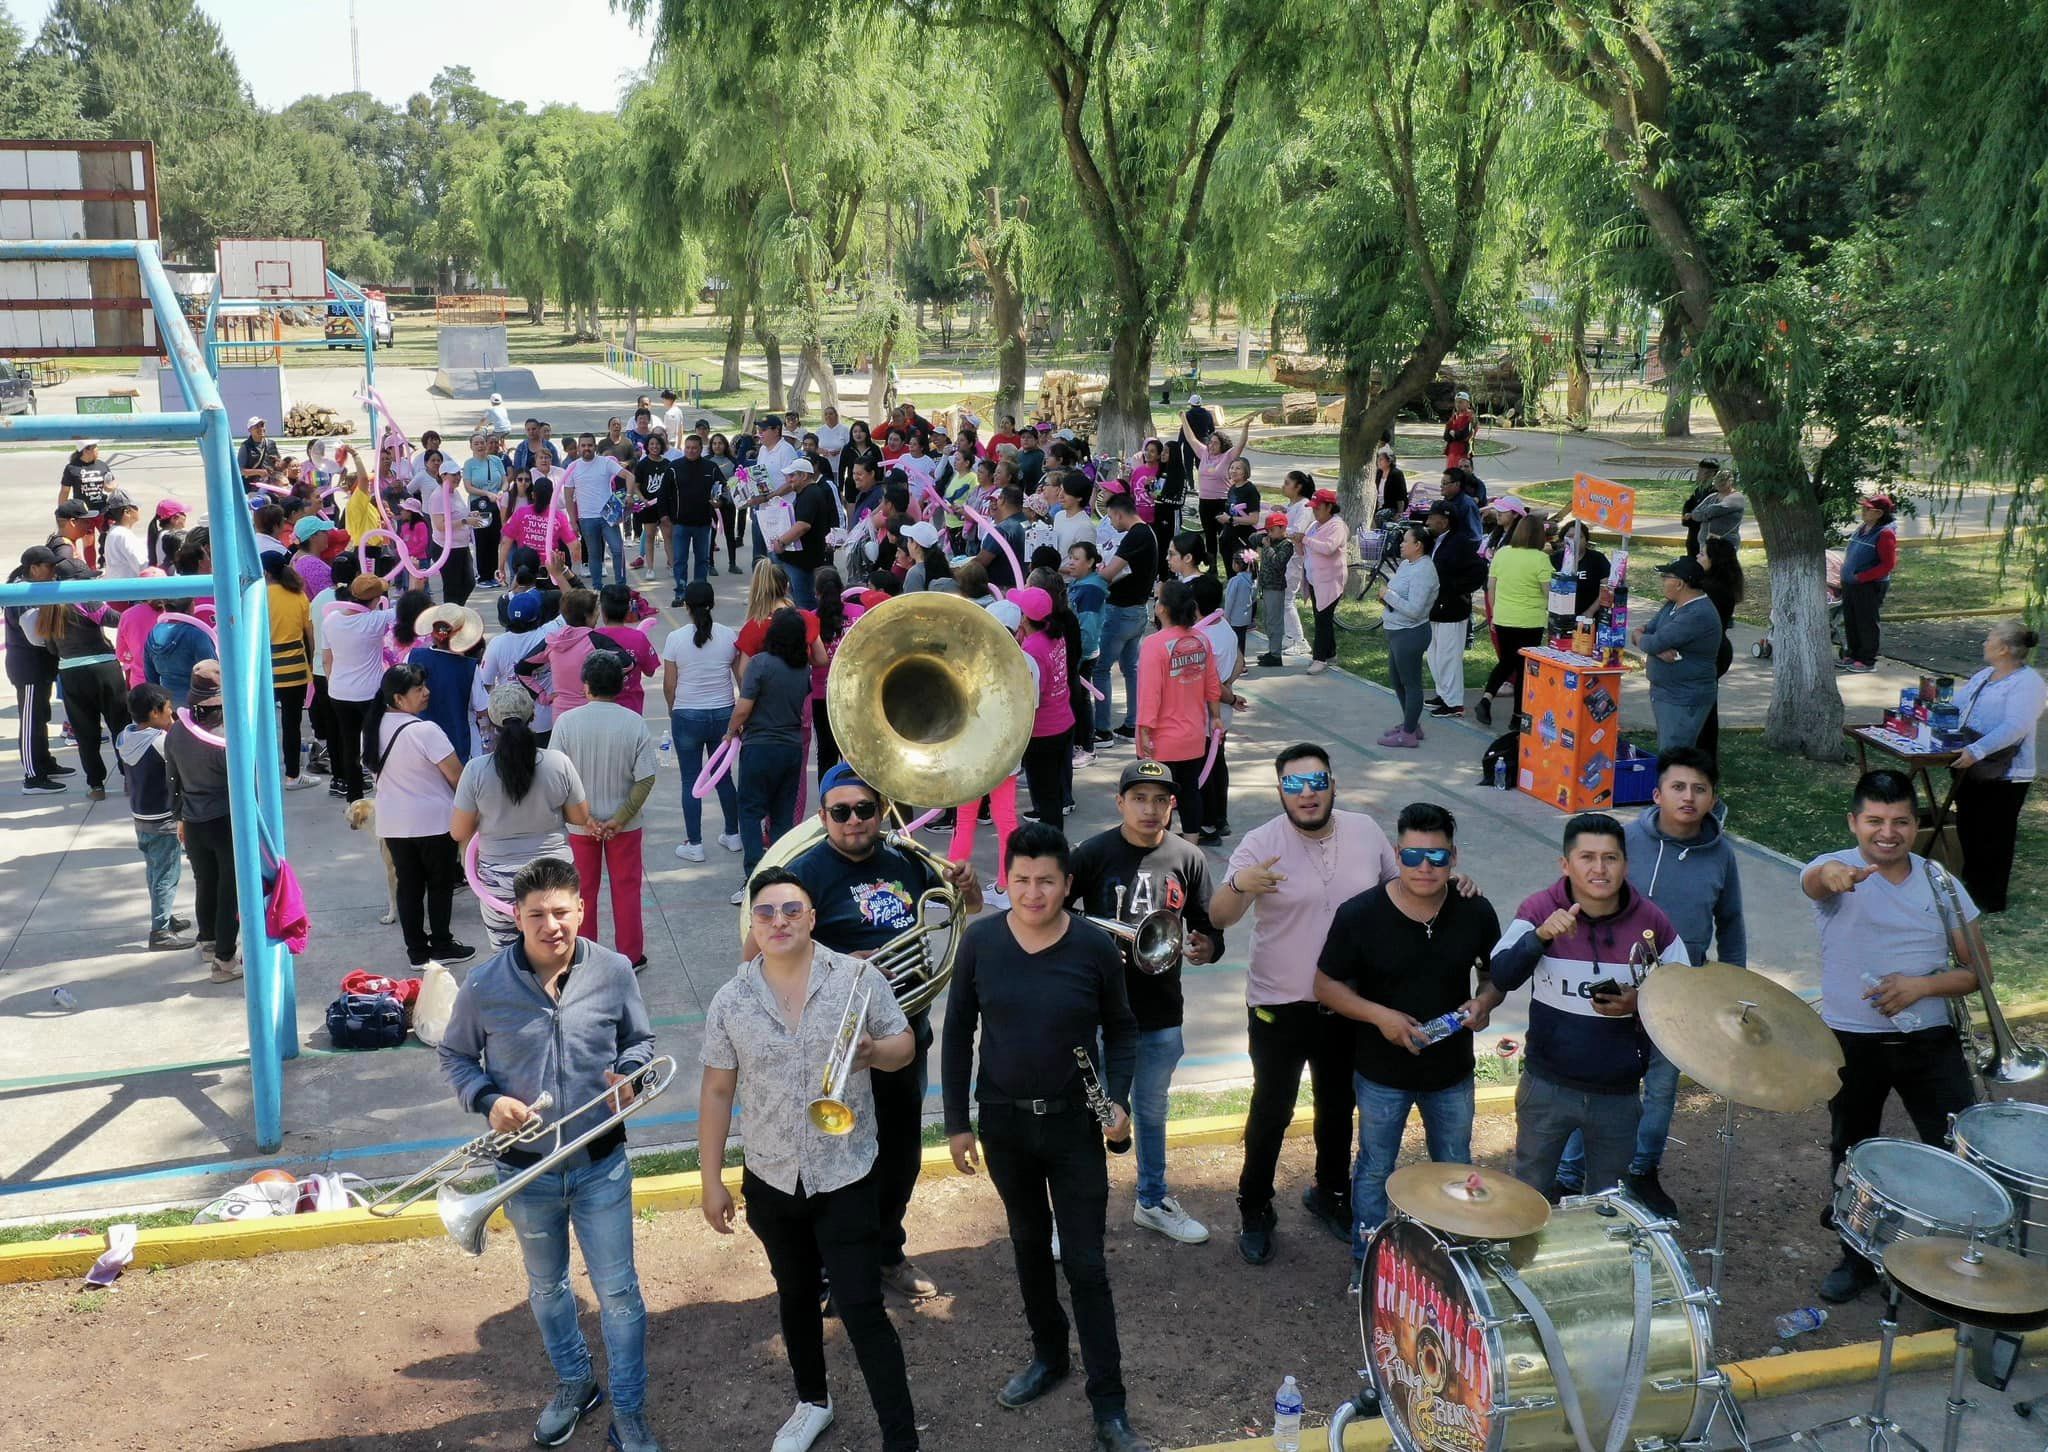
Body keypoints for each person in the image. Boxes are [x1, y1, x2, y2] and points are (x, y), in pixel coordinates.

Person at [436, 855, 661, 1452]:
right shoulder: (484, 985)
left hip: (600, 1165)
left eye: (562, 911)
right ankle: (575, 1383)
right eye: (536, 914)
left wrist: (631, 1076)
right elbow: (455, 1056)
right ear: (517, 916)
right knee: (548, 1289)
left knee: (619, 1294)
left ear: (581, 910)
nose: (551, 925)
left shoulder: (614, 971)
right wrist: (487, 1100)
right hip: (523, 1170)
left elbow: (640, 1041)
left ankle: (631, 1413)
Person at [941, 821, 1152, 1452]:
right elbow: (957, 1037)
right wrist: (956, 1122)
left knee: (1086, 1264)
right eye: (1022, 880)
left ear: (1066, 884)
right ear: (1006, 879)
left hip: (1072, 1124)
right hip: (1004, 1122)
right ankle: (1048, 1355)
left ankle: (1109, 1405)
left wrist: (1116, 1100)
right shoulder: (980, 943)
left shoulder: (1093, 948)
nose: (1033, 893)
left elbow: (1123, 1028)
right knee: (1029, 1246)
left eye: (1047, 882)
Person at [699, 868, 919, 1452]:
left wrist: (876, 1053)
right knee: (793, 1295)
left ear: (812, 917)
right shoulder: (731, 1000)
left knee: (862, 1306)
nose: (779, 921)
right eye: (766, 912)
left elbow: (904, 1045)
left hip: (845, 1171)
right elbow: (718, 1091)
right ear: (753, 922)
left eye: (791, 910)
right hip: (771, 1178)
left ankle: (901, 1436)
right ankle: (812, 1403)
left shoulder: (858, 978)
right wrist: (710, 1179)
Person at [769, 764, 983, 1303]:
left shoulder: (910, 860)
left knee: (900, 1154)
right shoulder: (803, 873)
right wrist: (842, 965)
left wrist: (971, 887)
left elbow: (966, 911)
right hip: (833, 1042)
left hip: (903, 1030)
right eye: (840, 812)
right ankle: (830, 1269)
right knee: (833, 1160)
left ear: (882, 811)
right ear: (823, 818)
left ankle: (888, 1252)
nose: (854, 821)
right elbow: (762, 956)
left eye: (865, 809)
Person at [1212, 744, 1414, 1262]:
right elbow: (1219, 916)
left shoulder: (1366, 831)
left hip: (1348, 1004)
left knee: (1336, 1108)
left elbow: (1401, 892)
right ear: (1279, 790)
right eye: (1294, 785)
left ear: (1333, 783)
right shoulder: (1260, 843)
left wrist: (1451, 882)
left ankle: (1329, 1193)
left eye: (1316, 781)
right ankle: (1255, 1207)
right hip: (1280, 1004)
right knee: (1271, 1110)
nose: (1307, 794)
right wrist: (1240, 884)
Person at [1804, 770, 1984, 1303]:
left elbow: (1978, 974)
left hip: (1930, 1042)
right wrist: (1836, 875)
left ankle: (1955, 1266)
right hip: (1851, 1043)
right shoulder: (1830, 868)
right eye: (1875, 821)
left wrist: (1920, 986)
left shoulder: (1942, 884)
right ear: (1854, 822)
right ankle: (1854, 1259)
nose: (1888, 833)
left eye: (1901, 821)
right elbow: (1819, 881)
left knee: (1956, 1152)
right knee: (1852, 1150)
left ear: (1915, 823)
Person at [1315, 802, 1503, 1289]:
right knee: (1376, 1168)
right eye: (1415, 855)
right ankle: (1368, 1261)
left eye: (1438, 858)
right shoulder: (1360, 913)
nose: (1426, 867)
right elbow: (1326, 986)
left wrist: (1483, 1003)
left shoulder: (1475, 909)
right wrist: (1380, 1017)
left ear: (1454, 857)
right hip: (1380, 1074)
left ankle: (1452, 1260)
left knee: (1455, 1165)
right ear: (1397, 854)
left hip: (1453, 1072)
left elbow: (1494, 973)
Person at [1553, 748, 1747, 1216]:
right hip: (1614, 989)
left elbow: (1732, 923)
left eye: (1700, 789)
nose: (1688, 797)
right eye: (1678, 787)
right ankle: (1568, 1173)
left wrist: (1736, 990)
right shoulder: (1625, 842)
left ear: (1712, 797)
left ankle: (1642, 1171)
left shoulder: (1722, 856)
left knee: (1660, 1088)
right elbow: (1580, 891)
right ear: (1657, 793)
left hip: (1680, 993)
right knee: (1598, 1080)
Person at [1066, 759, 1222, 1247]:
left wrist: (1205, 947)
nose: (1150, 809)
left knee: (1151, 1110)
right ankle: (1074, 1215)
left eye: (1160, 800)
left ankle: (1152, 1200)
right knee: (1088, 1112)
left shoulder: (1187, 857)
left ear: (1171, 804)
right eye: (1139, 798)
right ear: (1120, 803)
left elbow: (1208, 927)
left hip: (1158, 1011)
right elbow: (1057, 915)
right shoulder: (1091, 854)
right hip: (1094, 1012)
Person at [1488, 813, 1686, 1198]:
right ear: (1565, 864)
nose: (1599, 869)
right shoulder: (1538, 908)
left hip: (1618, 1094)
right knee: (1530, 1193)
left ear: (1626, 865)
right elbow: (1502, 974)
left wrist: (1639, 1003)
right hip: (1547, 1085)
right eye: (1587, 857)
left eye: (1610, 858)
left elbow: (1685, 996)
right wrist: (1540, 937)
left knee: (1607, 1204)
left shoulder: (1652, 921)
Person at [451, 684, 594, 947]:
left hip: (498, 880)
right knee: (557, 952)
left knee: (506, 960)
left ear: (492, 722)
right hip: (554, 873)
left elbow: (459, 832)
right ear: (532, 717)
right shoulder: (557, 762)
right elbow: (580, 817)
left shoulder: (475, 770)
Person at [551, 652, 659, 971]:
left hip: (580, 826)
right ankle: (631, 955)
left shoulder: (567, 723)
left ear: (586, 686)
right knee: (626, 890)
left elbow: (557, 776)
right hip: (624, 826)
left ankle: (584, 956)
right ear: (621, 685)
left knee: (582, 892)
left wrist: (587, 820)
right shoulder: (634, 723)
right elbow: (646, 777)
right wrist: (619, 818)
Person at [362, 663, 473, 968]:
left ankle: (416, 952)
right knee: (439, 886)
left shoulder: (373, 728)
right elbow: (456, 775)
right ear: (399, 698)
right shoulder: (425, 731)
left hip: (394, 823)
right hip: (433, 821)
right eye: (419, 689)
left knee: (409, 887)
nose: (427, 693)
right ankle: (441, 944)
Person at [1950, 620, 2046, 913]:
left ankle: (1990, 898)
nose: (1984, 642)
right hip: (1972, 765)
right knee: (1968, 825)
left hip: (2005, 772)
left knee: (1995, 834)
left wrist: (1977, 750)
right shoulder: (1985, 675)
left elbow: (2016, 726)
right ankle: (1971, 887)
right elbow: (1958, 704)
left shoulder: (2028, 684)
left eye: (1989, 638)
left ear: (2004, 648)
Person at [727, 608, 814, 894]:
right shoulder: (803, 669)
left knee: (750, 812)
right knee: (782, 814)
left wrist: (730, 732)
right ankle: (781, 874)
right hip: (791, 749)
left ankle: (754, 876)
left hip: (760, 747)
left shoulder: (761, 664)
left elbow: (744, 707)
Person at [166, 661, 240, 982]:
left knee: (205, 883)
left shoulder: (177, 731)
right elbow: (243, 788)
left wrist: (179, 816)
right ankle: (224, 961)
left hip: (193, 822)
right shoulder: (226, 740)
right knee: (229, 891)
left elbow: (172, 779)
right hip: (224, 821)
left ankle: (208, 941)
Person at [662, 580, 744, 862]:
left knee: (690, 780)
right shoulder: (728, 636)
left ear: (685, 606)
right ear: (713, 603)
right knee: (723, 778)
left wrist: (674, 710)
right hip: (723, 714)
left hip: (687, 715)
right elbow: (741, 680)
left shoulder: (675, 639)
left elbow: (669, 685)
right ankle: (733, 834)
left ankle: (694, 843)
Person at [1135, 580, 1222, 837]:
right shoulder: (1201, 640)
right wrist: (1215, 717)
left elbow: (1151, 693)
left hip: (1162, 739)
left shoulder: (1154, 644)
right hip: (1194, 735)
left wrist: (1145, 732)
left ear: (1162, 609)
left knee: (1158, 797)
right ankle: (1191, 847)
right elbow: (1212, 684)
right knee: (1190, 792)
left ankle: (1163, 848)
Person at [28, 597, 129, 800]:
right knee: (120, 727)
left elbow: (52, 649)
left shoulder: (47, 608)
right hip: (104, 667)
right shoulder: (85, 601)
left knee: (85, 733)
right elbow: (118, 619)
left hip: (71, 672)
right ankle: (130, 779)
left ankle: (96, 786)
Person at [117, 683, 193, 950]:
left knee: (154, 870)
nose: (171, 717)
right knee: (166, 874)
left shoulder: (125, 737)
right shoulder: (161, 741)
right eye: (168, 712)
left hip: (141, 816)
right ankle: (159, 932)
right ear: (154, 712)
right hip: (163, 819)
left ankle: (164, 915)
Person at [1635, 557, 1722, 751]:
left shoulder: (1697, 614)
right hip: (1667, 692)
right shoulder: (1672, 605)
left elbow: (1653, 641)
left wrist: (1649, 643)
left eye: (1666, 577)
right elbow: (1646, 632)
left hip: (1684, 697)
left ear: (1680, 583)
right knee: (1669, 751)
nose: (1662, 581)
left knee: (1674, 755)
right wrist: (1653, 648)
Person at [323, 575, 397, 801]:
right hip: (369, 694)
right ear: (375, 599)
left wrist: (333, 684)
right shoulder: (375, 620)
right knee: (379, 742)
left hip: (338, 692)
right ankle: (385, 792)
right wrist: (416, 578)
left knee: (350, 744)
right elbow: (410, 609)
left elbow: (327, 660)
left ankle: (354, 797)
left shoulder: (331, 620)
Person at [1474, 514, 1550, 727]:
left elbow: (1491, 586)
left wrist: (1494, 613)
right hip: (1530, 620)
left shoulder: (1502, 554)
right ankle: (1517, 715)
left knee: (1507, 661)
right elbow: (1548, 592)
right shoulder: (1540, 559)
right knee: (1522, 667)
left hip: (1503, 616)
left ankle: (1487, 698)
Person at [1092, 493, 1158, 742]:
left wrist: (1099, 572)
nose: (1111, 522)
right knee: (1131, 668)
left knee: (1101, 668)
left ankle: (1103, 729)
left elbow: (1109, 573)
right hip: (1138, 609)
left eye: (1110, 517)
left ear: (1119, 513)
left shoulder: (1135, 535)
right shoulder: (1147, 533)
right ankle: (1133, 724)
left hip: (1121, 611)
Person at [1014, 584, 1078, 827]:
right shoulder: (1055, 633)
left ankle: (1054, 849)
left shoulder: (1031, 649)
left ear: (1025, 617)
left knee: (1046, 796)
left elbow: (1031, 696)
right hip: (1064, 722)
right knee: (1054, 792)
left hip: (1043, 732)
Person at [261, 551, 319, 789]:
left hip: (265, 669)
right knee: (291, 723)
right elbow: (310, 636)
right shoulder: (298, 596)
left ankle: (260, 777)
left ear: (264, 572)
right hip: (294, 668)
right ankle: (292, 776)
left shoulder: (256, 597)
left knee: (261, 724)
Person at [1378, 525, 1439, 747]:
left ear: (1418, 545)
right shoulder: (1406, 564)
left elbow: (1414, 610)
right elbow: (1398, 594)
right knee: (1397, 680)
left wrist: (1389, 595)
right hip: (1396, 632)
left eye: (1405, 541)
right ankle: (1410, 723)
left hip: (1410, 634)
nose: (1401, 544)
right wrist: (1387, 597)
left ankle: (1409, 734)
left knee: (1411, 683)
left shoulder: (1424, 571)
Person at [1694, 535, 1744, 763]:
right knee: (1706, 705)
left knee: (1703, 708)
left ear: (1715, 561)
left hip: (1711, 653)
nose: (1698, 556)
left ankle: (1703, 756)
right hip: (1718, 650)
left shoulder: (1709, 589)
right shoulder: (1720, 584)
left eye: (1703, 554)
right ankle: (1703, 754)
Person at [1182, 411, 1249, 570]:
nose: (1211, 445)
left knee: (1226, 538)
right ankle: (1212, 569)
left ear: (1222, 445)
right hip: (1205, 503)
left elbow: (1241, 444)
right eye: (1210, 442)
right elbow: (1191, 438)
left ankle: (1234, 567)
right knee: (1210, 538)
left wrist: (1245, 427)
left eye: (1215, 443)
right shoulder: (1204, 453)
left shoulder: (1228, 456)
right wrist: (1183, 418)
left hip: (1222, 503)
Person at [1839, 492, 1899, 672]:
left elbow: (1888, 564)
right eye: (1863, 507)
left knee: (1866, 621)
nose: (1863, 511)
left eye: (1868, 509)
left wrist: (1862, 577)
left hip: (1869, 584)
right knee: (1851, 619)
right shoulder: (1862, 528)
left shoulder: (1885, 534)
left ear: (1879, 513)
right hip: (1851, 584)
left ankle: (1867, 660)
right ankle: (1853, 653)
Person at [563, 433, 630, 589]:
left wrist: (628, 497)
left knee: (617, 550)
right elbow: (568, 496)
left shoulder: (605, 463)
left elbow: (629, 476)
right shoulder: (572, 467)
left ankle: (621, 586)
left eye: (590, 445)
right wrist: (572, 521)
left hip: (608, 516)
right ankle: (597, 588)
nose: (587, 448)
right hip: (586, 518)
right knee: (594, 555)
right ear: (579, 448)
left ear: (595, 446)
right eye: (583, 445)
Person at [770, 456, 837, 610]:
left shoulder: (810, 494)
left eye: (792, 475)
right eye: (788, 476)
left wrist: (781, 542)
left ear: (804, 476)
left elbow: (802, 525)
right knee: (800, 600)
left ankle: (808, 631)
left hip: (802, 561)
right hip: (799, 559)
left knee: (804, 603)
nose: (789, 480)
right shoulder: (808, 492)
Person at [1302, 490, 1350, 675]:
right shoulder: (1315, 524)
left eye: (1318, 508)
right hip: (1315, 580)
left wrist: (1305, 539)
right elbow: (1307, 547)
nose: (1315, 512)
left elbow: (1328, 548)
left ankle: (1319, 658)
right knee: (1322, 617)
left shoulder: (1337, 526)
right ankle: (1330, 653)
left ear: (1329, 507)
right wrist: (1299, 541)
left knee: (1322, 619)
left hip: (1330, 581)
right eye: (1313, 508)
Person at [420, 459, 480, 606]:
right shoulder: (438, 496)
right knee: (452, 586)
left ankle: (457, 610)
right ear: (443, 476)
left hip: (461, 545)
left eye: (458, 474)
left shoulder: (455, 493)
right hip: (446, 547)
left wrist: (470, 516)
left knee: (469, 582)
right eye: (453, 475)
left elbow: (458, 514)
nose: (457, 477)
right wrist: (465, 521)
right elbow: (440, 525)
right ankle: (450, 615)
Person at [1253, 511, 1295, 668]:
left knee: (1275, 621)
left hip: (1275, 587)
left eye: (1272, 530)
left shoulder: (1286, 545)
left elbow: (1278, 563)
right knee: (1267, 621)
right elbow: (1252, 539)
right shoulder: (1269, 540)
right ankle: (1272, 651)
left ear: (1282, 528)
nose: (1269, 533)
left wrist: (1268, 548)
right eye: (1267, 530)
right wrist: (1262, 538)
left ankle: (1276, 655)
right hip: (1266, 585)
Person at [1689, 467, 1746, 545]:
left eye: (1722, 482)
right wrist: (1705, 514)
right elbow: (1695, 513)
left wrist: (1704, 514)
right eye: (1716, 482)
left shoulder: (1736, 497)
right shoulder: (1712, 497)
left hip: (1725, 543)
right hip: (1705, 543)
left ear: (1730, 482)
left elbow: (1715, 509)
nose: (1718, 485)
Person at [99, 494, 148, 580]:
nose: (138, 510)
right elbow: (142, 566)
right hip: (127, 588)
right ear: (127, 512)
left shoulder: (115, 532)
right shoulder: (123, 535)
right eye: (136, 508)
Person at [1679, 459, 1721, 557]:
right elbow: (1689, 505)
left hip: (1706, 536)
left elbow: (1709, 513)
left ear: (1712, 474)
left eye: (1702, 472)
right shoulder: (1699, 490)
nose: (1698, 475)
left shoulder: (1715, 493)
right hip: (1694, 534)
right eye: (1699, 471)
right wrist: (1687, 514)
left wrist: (1693, 516)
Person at [237, 417, 280, 484]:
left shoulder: (271, 443)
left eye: (262, 425)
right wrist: (259, 472)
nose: (261, 428)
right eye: (257, 426)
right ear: (249, 430)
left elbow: (278, 463)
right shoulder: (245, 446)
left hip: (271, 482)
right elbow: (240, 470)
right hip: (252, 484)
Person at [1442, 391, 1476, 471]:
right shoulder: (1454, 416)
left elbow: (1465, 435)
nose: (1458, 404)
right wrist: (1452, 434)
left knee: (1462, 474)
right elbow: (1446, 435)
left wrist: (1455, 434)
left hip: (1463, 452)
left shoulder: (1470, 417)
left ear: (1468, 403)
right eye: (1456, 402)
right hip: (1452, 451)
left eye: (1460, 402)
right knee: (1451, 475)